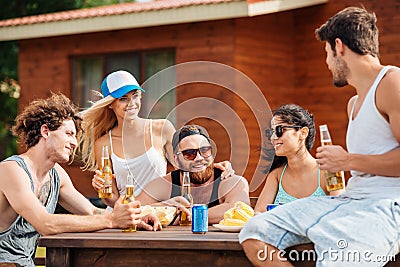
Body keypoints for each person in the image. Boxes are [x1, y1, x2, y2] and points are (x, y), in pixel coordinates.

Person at [239, 6, 400, 266]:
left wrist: (348, 161)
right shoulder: (354, 103)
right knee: (255, 231)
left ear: (339, 47)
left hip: (386, 207)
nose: (326, 63)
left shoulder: (392, 83)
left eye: (326, 53)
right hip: (351, 202)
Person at [0, 93, 161, 267]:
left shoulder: (57, 175)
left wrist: (134, 218)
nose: (74, 143)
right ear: (45, 131)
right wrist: (112, 220)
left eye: (75, 136)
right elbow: (45, 223)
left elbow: (91, 212)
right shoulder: (11, 170)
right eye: (69, 134)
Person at [85, 70, 234, 209]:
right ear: (110, 104)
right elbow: (113, 200)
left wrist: (210, 168)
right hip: (128, 216)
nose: (132, 103)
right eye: (123, 99)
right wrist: (103, 190)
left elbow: (185, 167)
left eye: (135, 96)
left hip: (161, 212)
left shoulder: (162, 128)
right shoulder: (103, 144)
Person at [136, 125, 250, 224]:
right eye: (189, 153)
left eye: (204, 150)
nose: (199, 158)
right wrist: (166, 206)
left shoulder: (228, 180)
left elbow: (241, 209)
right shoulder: (164, 184)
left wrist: (190, 215)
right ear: (176, 160)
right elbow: (132, 211)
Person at [254, 104, 343, 214]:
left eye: (279, 130)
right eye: (271, 132)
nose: (273, 138)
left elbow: (338, 212)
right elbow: (259, 212)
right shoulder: (276, 175)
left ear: (303, 133)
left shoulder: (329, 171)